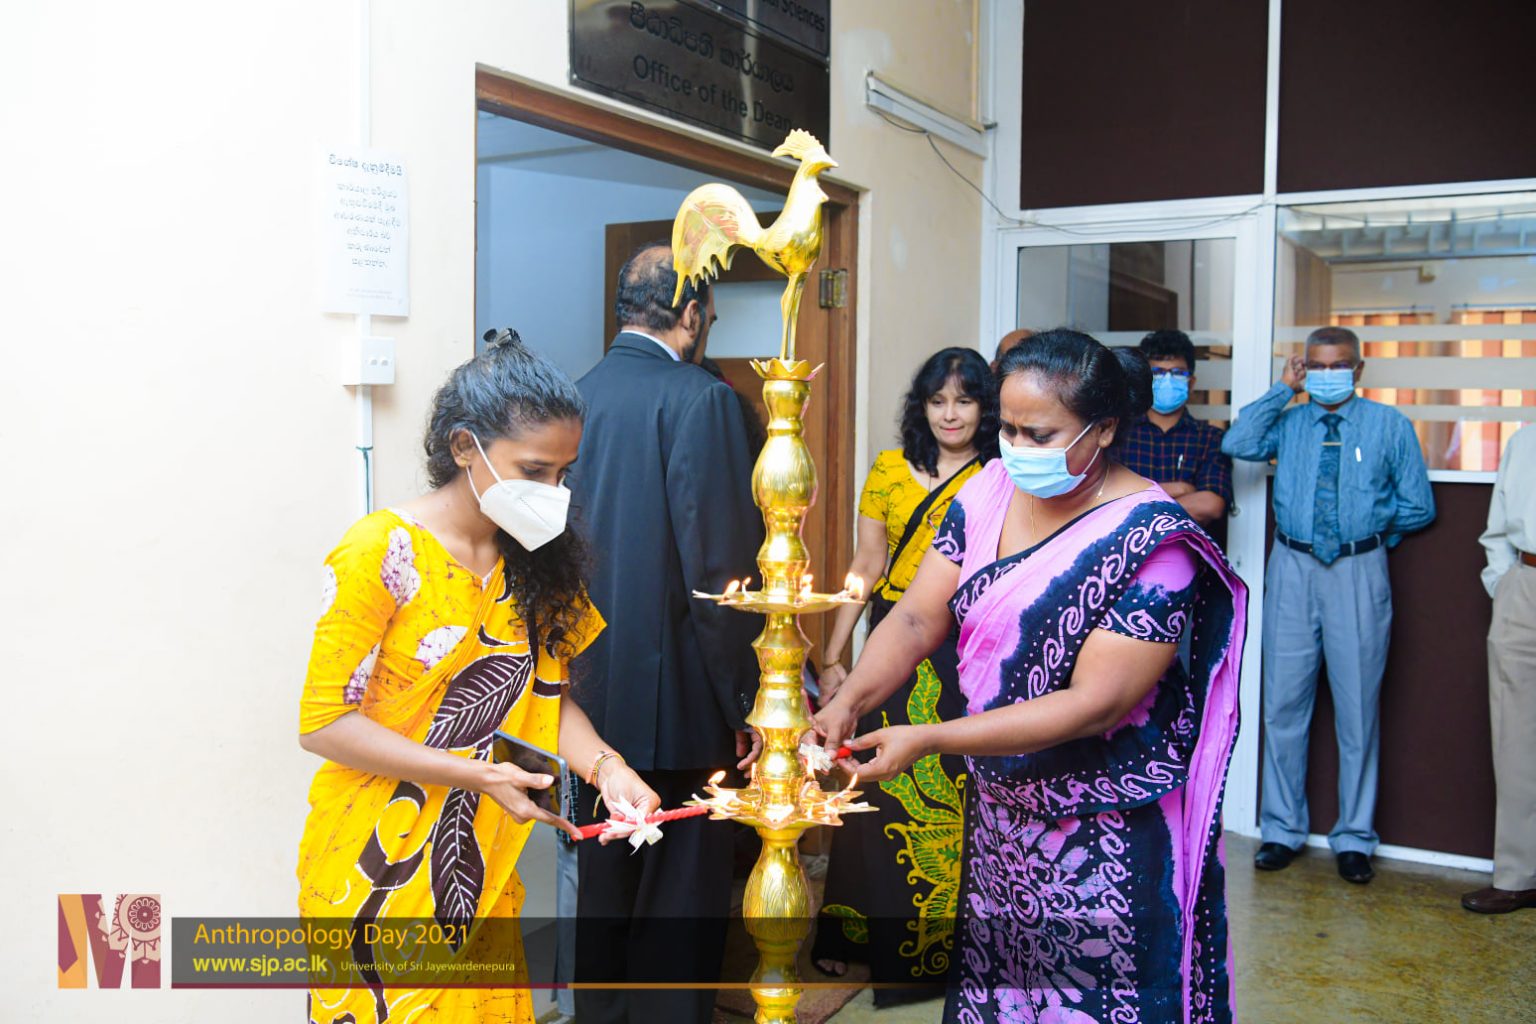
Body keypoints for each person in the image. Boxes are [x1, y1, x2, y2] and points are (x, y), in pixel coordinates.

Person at [815, 329, 1246, 1023]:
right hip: (1004, 815)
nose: (1018, 448)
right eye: (1008, 429)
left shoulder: (1151, 537)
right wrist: (850, 699)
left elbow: (1096, 704)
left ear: (1104, 429)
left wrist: (930, 738)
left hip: (1102, 826)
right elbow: (918, 618)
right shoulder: (989, 488)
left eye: (1040, 434)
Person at [295, 331, 660, 1024]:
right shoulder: (380, 552)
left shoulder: (537, 561)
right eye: (534, 470)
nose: (553, 492)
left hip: (476, 872)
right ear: (465, 447)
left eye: (564, 472)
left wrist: (609, 770)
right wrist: (477, 775)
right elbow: (323, 725)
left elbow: (549, 700)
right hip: (374, 871)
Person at [568, 243, 764, 1024]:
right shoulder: (700, 399)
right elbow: (718, 571)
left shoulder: (574, 396)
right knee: (678, 908)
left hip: (587, 704)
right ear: (691, 315)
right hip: (681, 699)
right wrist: (746, 697)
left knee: (606, 898)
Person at [811, 346, 999, 994]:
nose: (951, 414)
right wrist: (835, 655)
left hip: (967, 644)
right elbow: (866, 565)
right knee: (872, 786)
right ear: (921, 407)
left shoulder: (999, 475)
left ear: (985, 408)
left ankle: (942, 952)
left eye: (965, 401)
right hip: (895, 640)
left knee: (955, 790)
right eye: (938, 401)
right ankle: (853, 936)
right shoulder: (890, 470)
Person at [1223, 325, 1434, 883]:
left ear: (1358, 369)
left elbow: (1418, 505)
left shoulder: (1389, 425)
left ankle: (1355, 837)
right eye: (1315, 365)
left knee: (1358, 708)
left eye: (1337, 365)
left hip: (1358, 572)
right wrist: (1282, 389)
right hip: (1292, 568)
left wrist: (1367, 535)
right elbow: (1237, 442)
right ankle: (1281, 830)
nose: (1327, 374)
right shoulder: (1289, 423)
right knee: (1283, 705)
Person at [1463, 424, 1536, 913]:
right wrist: (1504, 583)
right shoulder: (1525, 440)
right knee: (1516, 740)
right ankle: (1518, 875)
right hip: (1525, 585)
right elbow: (1498, 526)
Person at [1119, 329, 1233, 527]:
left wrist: (1137, 504)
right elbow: (1107, 500)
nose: (1168, 379)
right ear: (1144, 380)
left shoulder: (1210, 438)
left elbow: (1210, 505)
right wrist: (1181, 489)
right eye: (1157, 372)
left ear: (1191, 383)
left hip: (1188, 546)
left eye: (1178, 373)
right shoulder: (1120, 434)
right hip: (1128, 547)